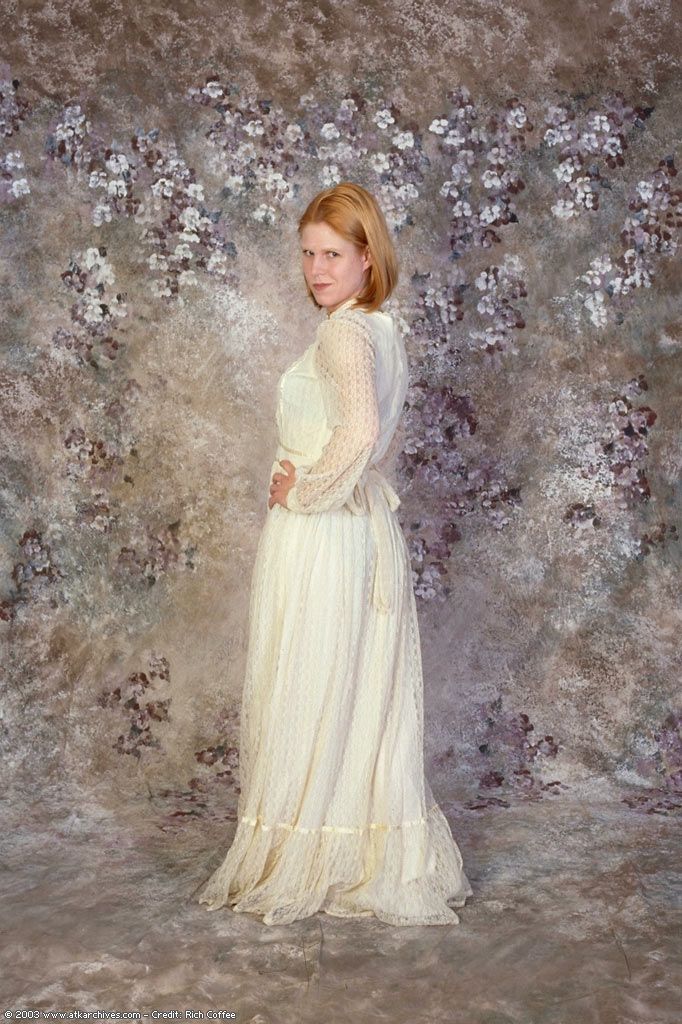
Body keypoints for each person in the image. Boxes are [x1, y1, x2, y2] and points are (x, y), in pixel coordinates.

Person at [196, 182, 474, 926]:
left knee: (312, 687)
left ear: (366, 258)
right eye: (308, 254)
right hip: (361, 533)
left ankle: (309, 856)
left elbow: (358, 433)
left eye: (332, 255)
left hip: (325, 536)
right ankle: (357, 854)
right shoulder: (380, 329)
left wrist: (305, 492)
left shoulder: (345, 334)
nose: (316, 270)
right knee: (352, 694)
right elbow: (369, 435)